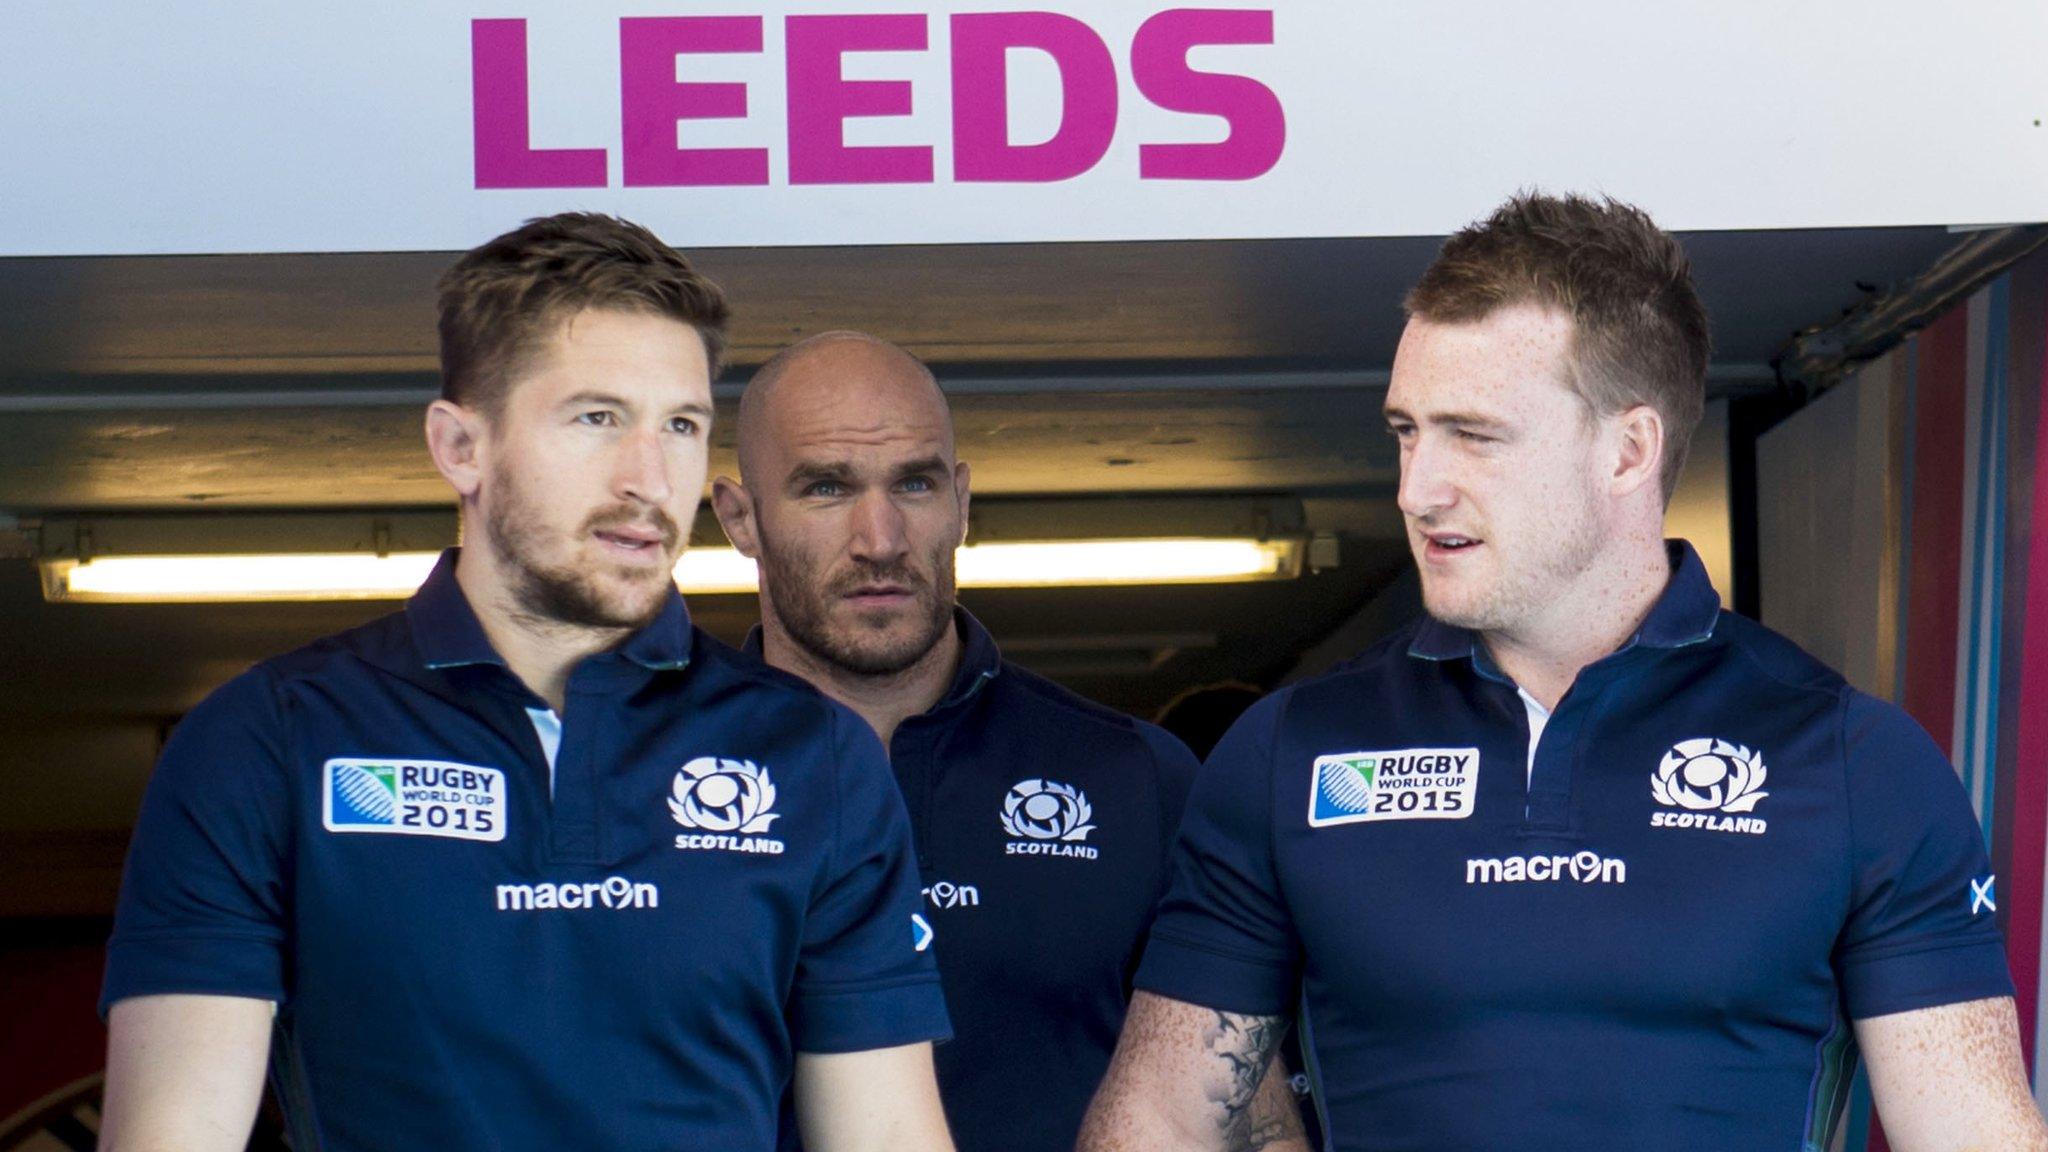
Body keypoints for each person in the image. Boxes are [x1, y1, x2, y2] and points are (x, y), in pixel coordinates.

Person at [1078, 193, 2048, 1151]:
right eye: (1405, 430)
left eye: (1474, 435)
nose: (1416, 488)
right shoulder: (1291, 749)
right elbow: (1158, 1119)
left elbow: (1969, 1130)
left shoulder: (1850, 760)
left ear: (1626, 451)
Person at [98, 215, 955, 1152]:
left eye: (681, 425)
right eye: (597, 419)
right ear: (461, 446)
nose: (648, 477)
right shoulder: (270, 741)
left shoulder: (812, 756)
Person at [709, 332, 1306, 1152]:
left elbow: (1248, 1119)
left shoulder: (1133, 778)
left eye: (913, 483)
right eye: (825, 487)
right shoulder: (658, 781)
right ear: (739, 519)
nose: (879, 538)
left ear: (959, 501)